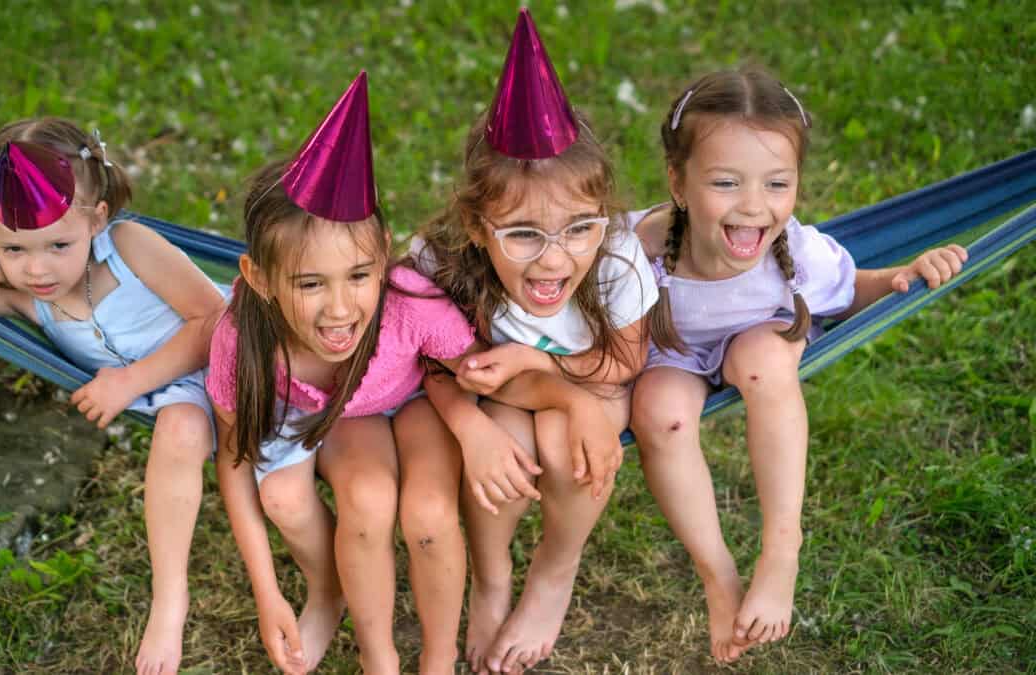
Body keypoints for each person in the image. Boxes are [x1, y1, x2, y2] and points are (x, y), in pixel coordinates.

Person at [627, 66, 968, 663]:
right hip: (672, 354)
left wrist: (904, 274)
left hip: (759, 343)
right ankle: (717, 575)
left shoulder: (795, 254)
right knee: (659, 413)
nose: (754, 207)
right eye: (727, 183)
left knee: (763, 359)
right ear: (678, 183)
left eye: (777, 185)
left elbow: (858, 285)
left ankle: (782, 547)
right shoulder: (635, 251)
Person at [0, 117, 228, 675]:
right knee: (179, 428)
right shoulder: (22, 296)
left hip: (230, 355)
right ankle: (169, 599)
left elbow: (215, 321)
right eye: (16, 248)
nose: (38, 268)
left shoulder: (130, 246)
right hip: (180, 401)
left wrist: (128, 382)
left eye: (59, 244)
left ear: (97, 219)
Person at [205, 72, 480, 675]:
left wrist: (488, 424)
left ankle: (439, 657)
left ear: (383, 251)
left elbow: (476, 373)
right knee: (366, 499)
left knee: (430, 517)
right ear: (259, 279)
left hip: (419, 404)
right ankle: (377, 656)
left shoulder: (413, 309)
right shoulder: (242, 338)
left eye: (358, 275)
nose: (338, 308)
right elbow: (235, 459)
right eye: (309, 284)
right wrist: (266, 591)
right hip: (347, 420)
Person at [411, 10, 657, 673]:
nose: (554, 262)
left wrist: (547, 367)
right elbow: (433, 363)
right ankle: (492, 579)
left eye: (579, 227)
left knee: (565, 445)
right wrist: (470, 428)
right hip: (500, 396)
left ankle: (554, 570)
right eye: (523, 233)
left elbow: (625, 359)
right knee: (510, 452)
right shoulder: (440, 263)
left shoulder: (617, 258)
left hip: (595, 384)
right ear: (476, 223)